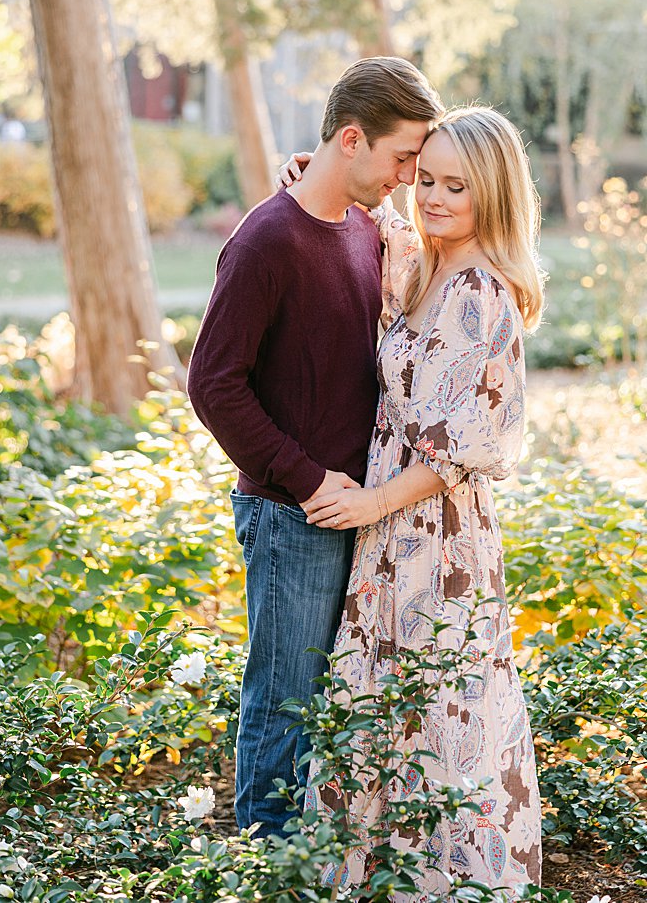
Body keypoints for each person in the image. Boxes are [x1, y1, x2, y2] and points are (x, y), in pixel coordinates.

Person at [285, 107, 545, 895]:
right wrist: (316, 181)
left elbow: (461, 445)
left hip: (434, 536)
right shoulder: (429, 264)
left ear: (492, 194)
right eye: (425, 178)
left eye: (455, 187)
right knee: (391, 709)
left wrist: (374, 503)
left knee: (438, 715)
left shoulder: (480, 292)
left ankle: (446, 882)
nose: (431, 198)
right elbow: (379, 229)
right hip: (393, 537)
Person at [187, 57, 444, 837]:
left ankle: (312, 848)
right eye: (404, 158)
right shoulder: (266, 239)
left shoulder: (365, 228)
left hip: (355, 510)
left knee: (328, 696)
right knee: (284, 692)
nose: (410, 177)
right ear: (354, 139)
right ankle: (268, 853)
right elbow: (213, 384)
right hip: (292, 513)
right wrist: (306, 481)